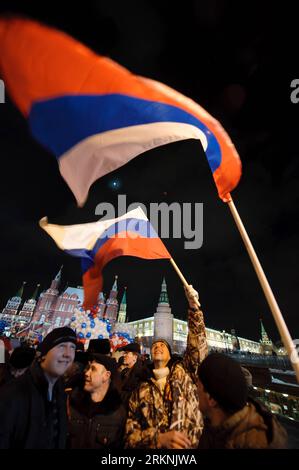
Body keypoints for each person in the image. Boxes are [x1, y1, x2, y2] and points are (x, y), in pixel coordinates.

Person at [125, 285, 208, 449]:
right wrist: (158, 439)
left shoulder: (185, 374)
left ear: (170, 355)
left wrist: (194, 309)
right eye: (155, 345)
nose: (158, 346)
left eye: (163, 345)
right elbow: (129, 436)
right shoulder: (141, 388)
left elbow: (197, 347)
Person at [0, 327, 77, 448]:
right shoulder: (13, 393)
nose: (68, 354)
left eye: (73, 347)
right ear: (44, 354)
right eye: (61, 346)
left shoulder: (61, 393)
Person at [197, 353, 288, 449]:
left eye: (198, 387)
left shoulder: (255, 443)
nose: (196, 391)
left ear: (211, 399)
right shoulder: (214, 426)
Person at [67, 353, 126, 449]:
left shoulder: (118, 411)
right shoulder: (71, 403)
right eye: (88, 369)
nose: (86, 373)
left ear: (106, 375)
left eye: (93, 369)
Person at [119, 342, 149, 407]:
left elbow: (136, 395)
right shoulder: (124, 371)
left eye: (126, 353)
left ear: (135, 357)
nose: (124, 355)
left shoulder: (141, 373)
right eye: (124, 353)